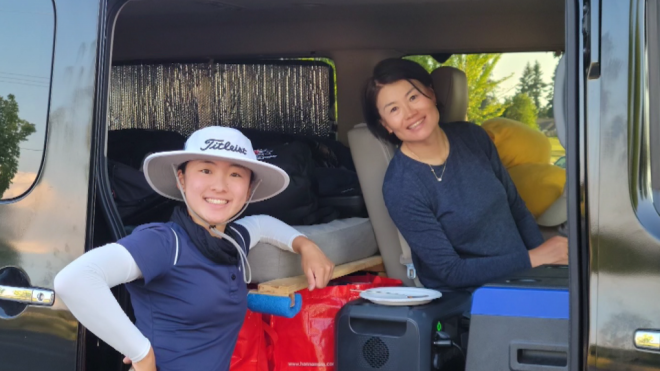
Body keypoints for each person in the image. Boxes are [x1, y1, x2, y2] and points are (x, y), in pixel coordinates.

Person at [54, 126, 335, 371]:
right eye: (205, 169)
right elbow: (75, 280)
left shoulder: (232, 240)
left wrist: (305, 245)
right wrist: (142, 354)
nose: (220, 185)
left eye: (236, 174)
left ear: (249, 190)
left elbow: (261, 224)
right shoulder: (165, 242)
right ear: (182, 180)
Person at [362, 58, 568, 291]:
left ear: (431, 94)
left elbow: (516, 208)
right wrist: (536, 259)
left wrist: (545, 271)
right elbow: (451, 271)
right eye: (394, 109)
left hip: (521, 278)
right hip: (470, 298)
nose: (410, 113)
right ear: (386, 124)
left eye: (413, 97)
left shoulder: (473, 137)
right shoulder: (401, 186)